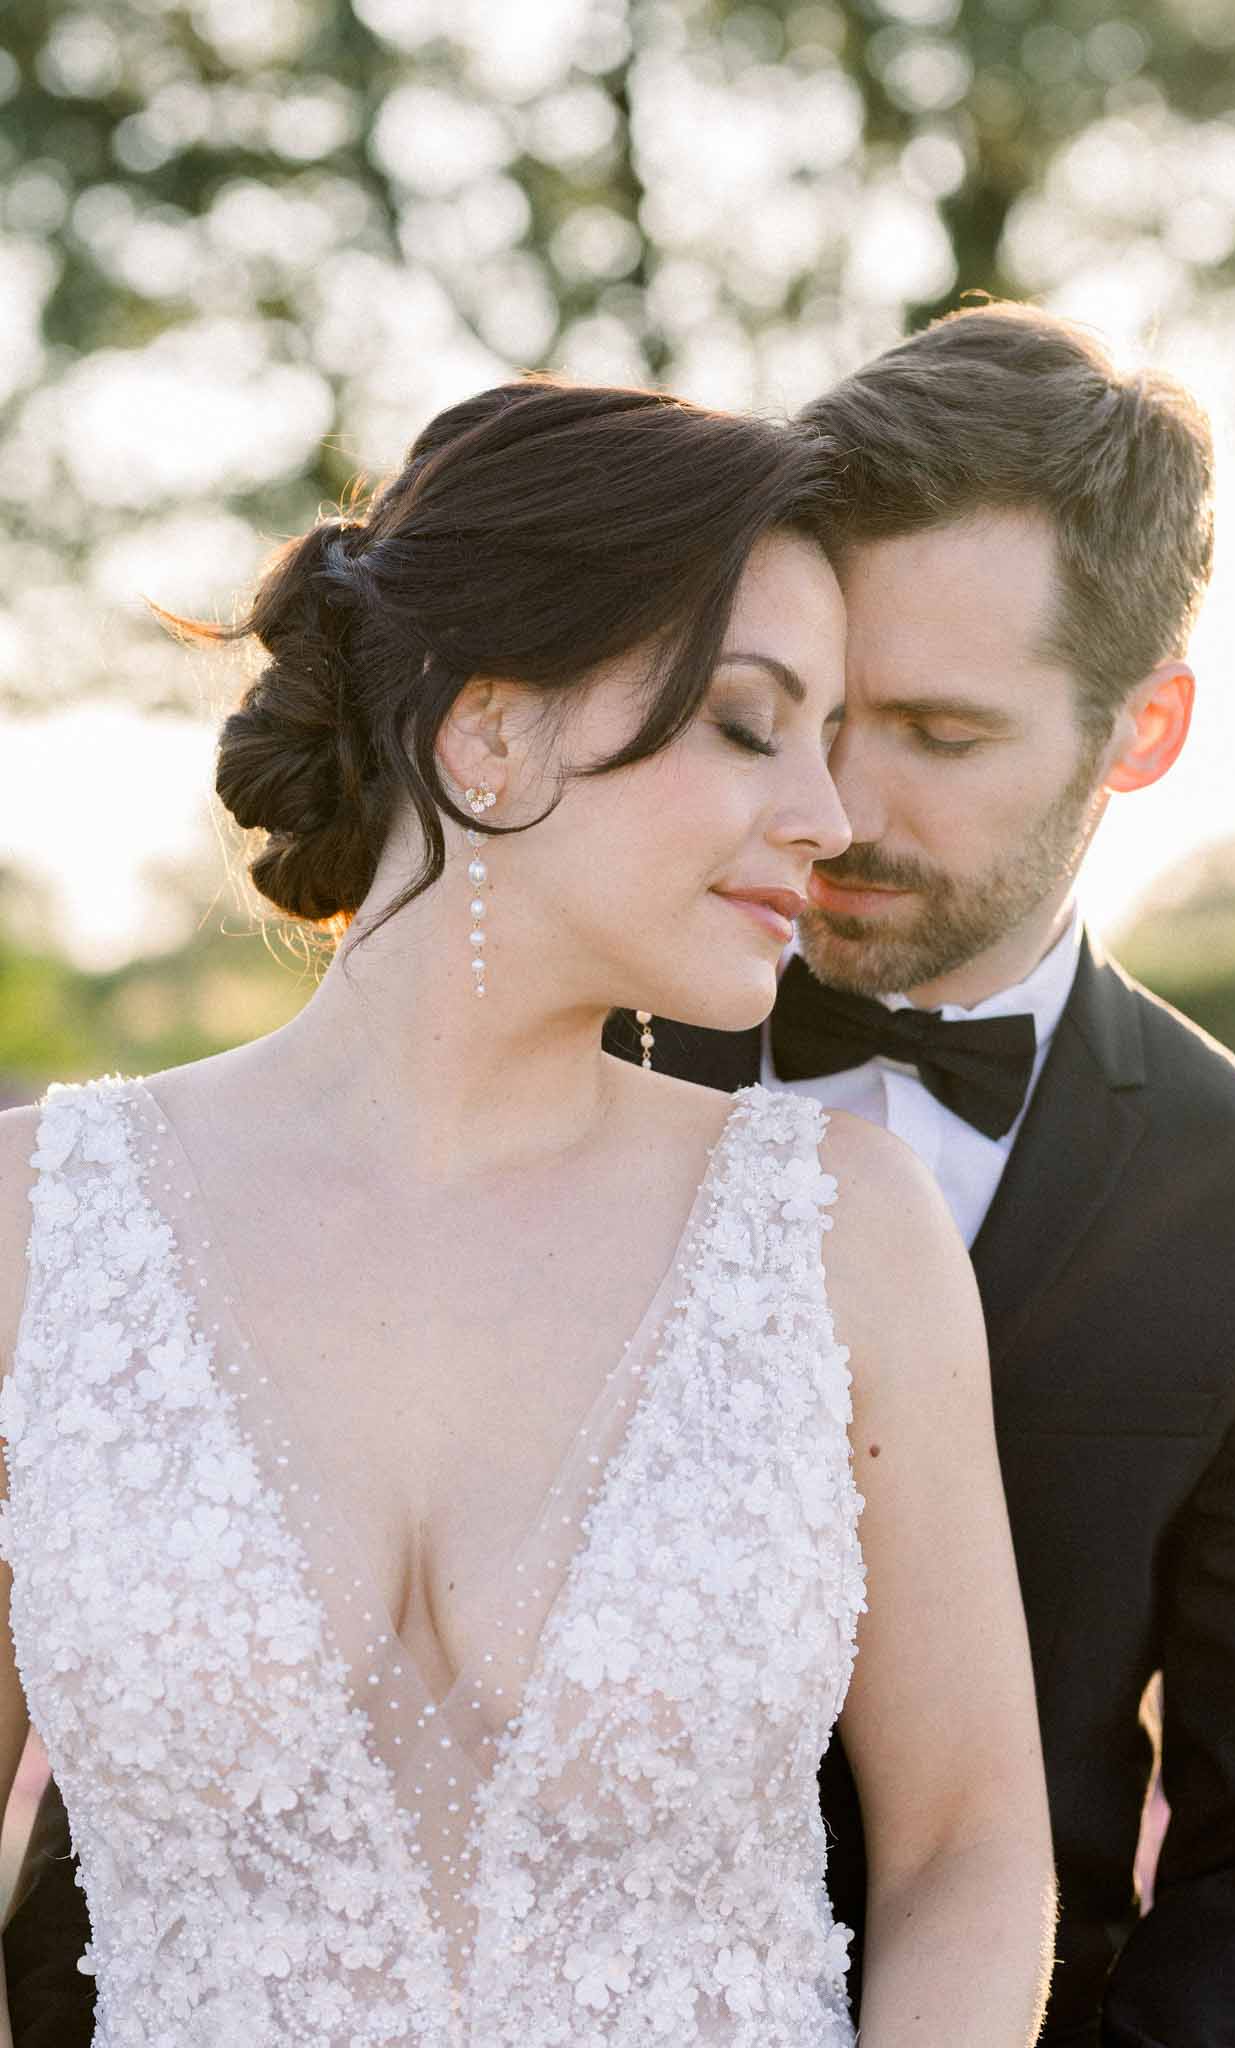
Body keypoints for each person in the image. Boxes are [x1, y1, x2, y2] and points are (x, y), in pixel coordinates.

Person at [0, 379, 1055, 2047]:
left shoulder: (842, 1236)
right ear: (486, 732)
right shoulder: (33, 1231)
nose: (828, 817)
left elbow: (969, 1852)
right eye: (745, 720)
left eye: (830, 740)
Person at [626, 304, 1235, 2047]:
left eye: (939, 736)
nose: (832, 803)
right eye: (796, 712)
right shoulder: (577, 1040)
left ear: (1143, 729)